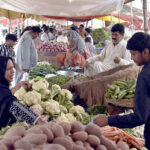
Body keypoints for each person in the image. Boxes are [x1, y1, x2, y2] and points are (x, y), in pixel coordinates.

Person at [94, 32, 150, 149]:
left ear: (145, 52)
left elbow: (140, 117)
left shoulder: (145, 75)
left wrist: (109, 120)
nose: (131, 58)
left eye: (133, 54)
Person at [0, 56, 44, 129]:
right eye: (8, 69)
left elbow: (6, 99)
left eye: (12, 68)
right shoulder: (2, 91)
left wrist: (18, 86)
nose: (13, 71)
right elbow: (14, 106)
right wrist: (37, 120)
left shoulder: (2, 88)